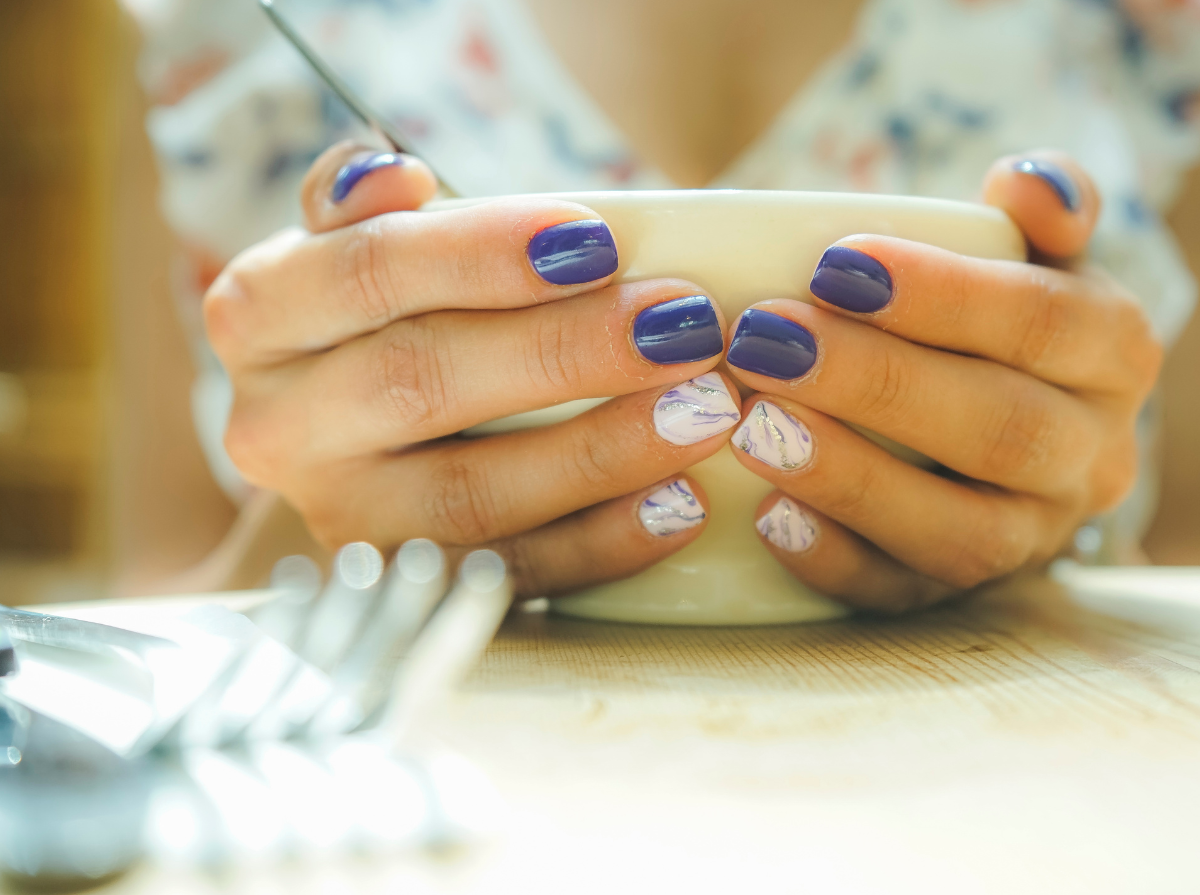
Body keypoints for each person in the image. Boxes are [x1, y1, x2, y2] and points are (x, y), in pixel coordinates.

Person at [116, 0, 1200, 610]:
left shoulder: (1143, 31)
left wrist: (1062, 536)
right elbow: (151, 603)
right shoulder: (232, 32)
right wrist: (319, 528)